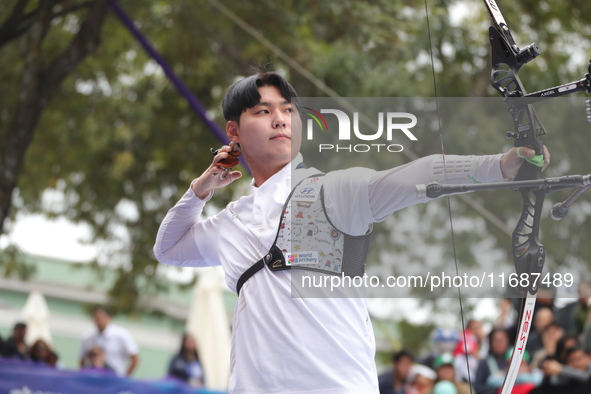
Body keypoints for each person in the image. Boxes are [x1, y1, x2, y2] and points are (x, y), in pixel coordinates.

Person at [154, 70, 550, 393]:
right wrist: (202, 188)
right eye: (262, 111)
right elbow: (168, 249)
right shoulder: (232, 221)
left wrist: (501, 166)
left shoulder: (332, 190)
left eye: (288, 110)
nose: (280, 119)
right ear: (233, 132)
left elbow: (423, 173)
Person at [79, 307, 139, 377]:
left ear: (109, 317)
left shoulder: (121, 334)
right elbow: (82, 359)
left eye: (101, 318)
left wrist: (125, 377)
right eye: (96, 318)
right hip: (93, 377)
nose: (99, 321)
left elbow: (134, 358)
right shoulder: (88, 336)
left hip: (115, 378)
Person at [473, 328, 510, 394]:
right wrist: (498, 390)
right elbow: (478, 388)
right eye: (496, 340)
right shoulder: (484, 363)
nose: (499, 344)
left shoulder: (515, 361)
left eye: (502, 340)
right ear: (490, 342)